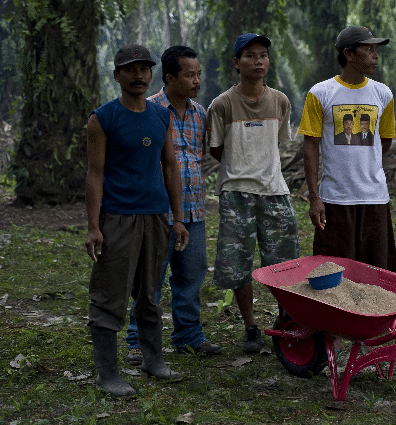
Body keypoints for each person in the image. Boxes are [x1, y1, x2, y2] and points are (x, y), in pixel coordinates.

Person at [85, 44, 187, 398]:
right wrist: (94, 226)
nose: (139, 75)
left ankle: (153, 360)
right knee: (110, 295)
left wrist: (177, 217)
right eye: (131, 69)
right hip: (117, 218)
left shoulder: (161, 116)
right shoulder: (103, 118)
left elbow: (170, 166)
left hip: (156, 217)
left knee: (149, 293)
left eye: (145, 69)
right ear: (117, 75)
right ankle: (108, 374)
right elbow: (94, 174)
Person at [125, 46, 221, 365]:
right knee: (149, 277)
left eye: (198, 74)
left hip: (194, 210)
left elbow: (199, 155)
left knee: (191, 276)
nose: (196, 81)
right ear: (169, 78)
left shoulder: (199, 113)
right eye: (189, 75)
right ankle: (138, 341)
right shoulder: (148, 109)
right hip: (155, 212)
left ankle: (188, 335)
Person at [207, 33, 300, 353]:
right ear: (236, 62)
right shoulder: (221, 104)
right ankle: (250, 327)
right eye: (249, 55)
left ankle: (287, 321)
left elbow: (278, 143)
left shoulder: (280, 101)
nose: (258, 61)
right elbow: (218, 150)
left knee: (285, 262)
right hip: (236, 194)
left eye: (263, 55)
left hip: (274, 191)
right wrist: (241, 169)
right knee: (237, 264)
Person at [299, 25, 396, 273]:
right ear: (349, 54)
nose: (375, 56)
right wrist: (314, 197)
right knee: (333, 271)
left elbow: (384, 141)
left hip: (374, 196)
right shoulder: (320, 94)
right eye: (368, 50)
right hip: (335, 198)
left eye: (376, 50)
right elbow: (310, 145)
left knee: (376, 271)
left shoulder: (383, 94)